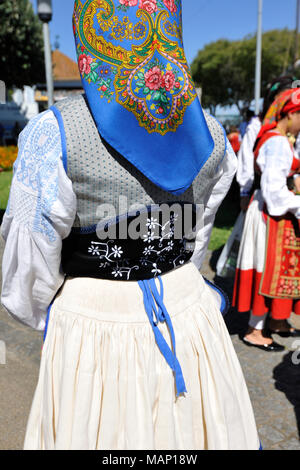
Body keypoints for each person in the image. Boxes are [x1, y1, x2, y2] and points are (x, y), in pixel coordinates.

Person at [1, 0, 260, 450]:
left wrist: (56, 318)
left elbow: (28, 271)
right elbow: (197, 235)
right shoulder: (212, 132)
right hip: (187, 309)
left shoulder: (53, 132)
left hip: (94, 327)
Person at [233, 88, 300, 350]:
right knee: (265, 267)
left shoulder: (280, 138)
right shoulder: (277, 142)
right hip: (268, 215)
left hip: (273, 212)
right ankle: (254, 330)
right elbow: (274, 193)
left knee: (275, 268)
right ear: (292, 113)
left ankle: (275, 321)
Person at [237, 76, 297, 212]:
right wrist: (244, 192)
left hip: (288, 198)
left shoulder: (292, 129)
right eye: (286, 96)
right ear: (274, 98)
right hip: (263, 197)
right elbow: (246, 158)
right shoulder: (257, 126)